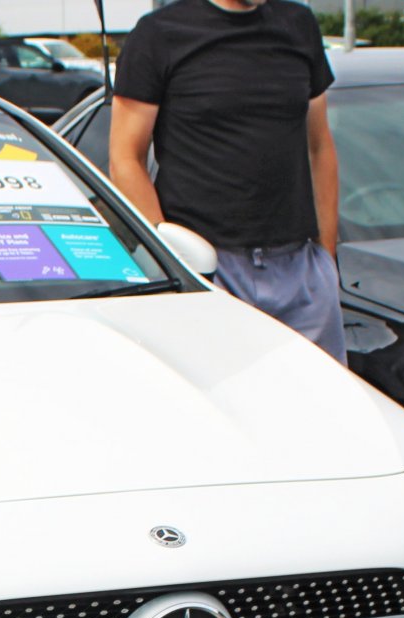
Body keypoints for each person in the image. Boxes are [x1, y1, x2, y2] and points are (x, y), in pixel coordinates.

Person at [108, 0, 346, 363]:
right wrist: (179, 266)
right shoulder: (159, 35)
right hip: (209, 272)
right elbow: (125, 158)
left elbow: (319, 147)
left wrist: (326, 258)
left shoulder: (298, 25)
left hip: (301, 275)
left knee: (324, 413)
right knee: (218, 411)